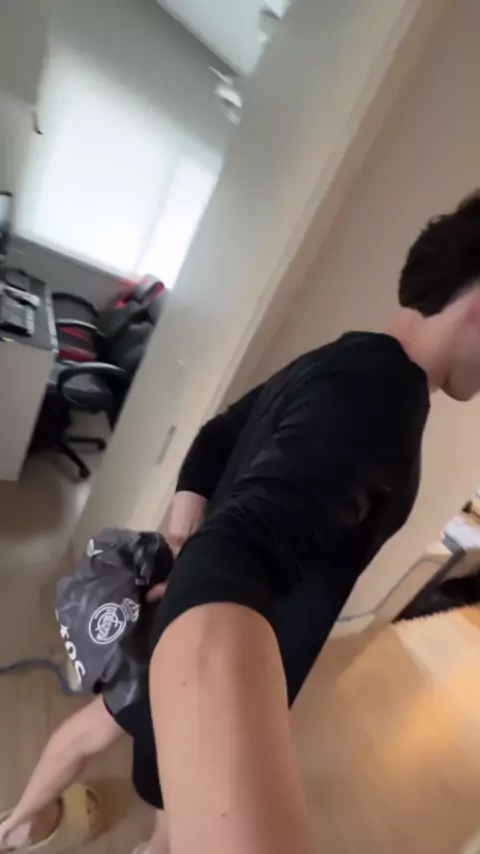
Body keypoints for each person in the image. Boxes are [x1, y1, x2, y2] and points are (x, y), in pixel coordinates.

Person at [3, 191, 480, 854]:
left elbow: (216, 437)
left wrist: (184, 537)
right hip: (218, 633)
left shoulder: (344, 358)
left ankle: (21, 827)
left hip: (188, 612)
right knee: (163, 813)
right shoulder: (383, 402)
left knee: (97, 731)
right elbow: (243, 547)